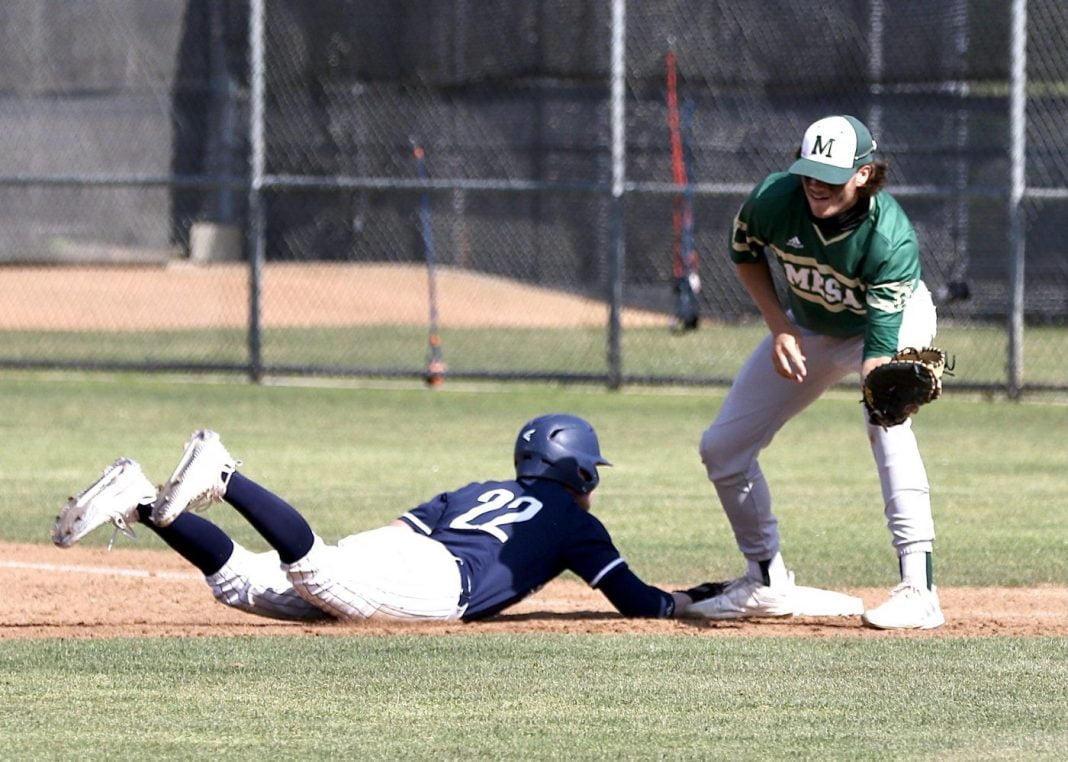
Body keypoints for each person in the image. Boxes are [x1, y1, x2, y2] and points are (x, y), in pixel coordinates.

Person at [52, 414, 706, 622]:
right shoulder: (576, 523)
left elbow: (399, 534)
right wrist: (689, 602)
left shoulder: (479, 488)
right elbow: (635, 601)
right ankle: (224, 474)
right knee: (317, 575)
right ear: (580, 472)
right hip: (442, 586)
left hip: (402, 550)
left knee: (245, 585)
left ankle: (141, 501)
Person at [690, 115, 944, 629]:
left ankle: (919, 590)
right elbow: (745, 255)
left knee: (886, 422)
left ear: (865, 174)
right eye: (809, 171)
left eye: (831, 176)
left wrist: (881, 386)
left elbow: (876, 346)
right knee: (722, 448)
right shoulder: (773, 199)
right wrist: (779, 326)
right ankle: (765, 582)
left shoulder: (888, 238)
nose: (815, 185)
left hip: (888, 321)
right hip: (809, 327)